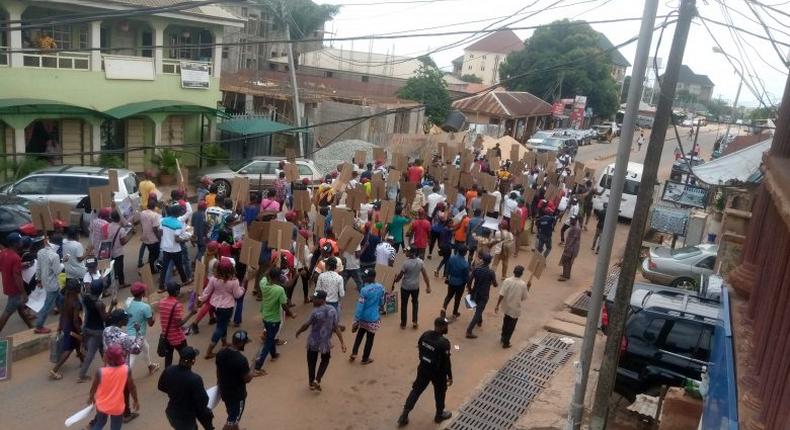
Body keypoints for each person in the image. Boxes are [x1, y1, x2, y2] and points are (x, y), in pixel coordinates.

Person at [397, 316, 453, 427]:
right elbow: (447, 362)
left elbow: (419, 348)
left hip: (423, 369)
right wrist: (450, 376)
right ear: (441, 327)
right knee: (440, 393)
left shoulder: (425, 335)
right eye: (446, 326)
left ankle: (404, 415)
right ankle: (439, 415)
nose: (447, 328)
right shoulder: (444, 343)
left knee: (416, 390)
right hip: (438, 373)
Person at [295, 290, 347, 391]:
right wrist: (342, 342)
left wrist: (299, 331)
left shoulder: (315, 312)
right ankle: (317, 379)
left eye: (315, 299)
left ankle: (311, 383)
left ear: (321, 300)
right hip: (325, 342)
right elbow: (336, 327)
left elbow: (307, 324)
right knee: (325, 360)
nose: (313, 301)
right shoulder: (332, 309)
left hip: (313, 341)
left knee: (311, 362)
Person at [157, 346, 214, 430]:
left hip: (171, 413)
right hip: (185, 418)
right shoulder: (195, 379)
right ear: (193, 361)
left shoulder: (169, 370)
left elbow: (160, 387)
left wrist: (175, 393)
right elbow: (203, 401)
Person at [200, 258, 245, 359]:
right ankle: (209, 351)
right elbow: (237, 295)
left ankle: (224, 343)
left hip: (215, 305)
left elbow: (207, 292)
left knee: (222, 323)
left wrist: (200, 299)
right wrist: (242, 289)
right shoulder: (234, 281)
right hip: (227, 307)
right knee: (220, 327)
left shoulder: (213, 279)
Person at [253, 268, 294, 376]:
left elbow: (265, 274)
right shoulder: (279, 289)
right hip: (274, 319)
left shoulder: (263, 283)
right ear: (277, 278)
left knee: (270, 337)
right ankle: (258, 366)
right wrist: (291, 314)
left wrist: (272, 266)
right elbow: (284, 305)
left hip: (265, 316)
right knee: (269, 341)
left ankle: (274, 354)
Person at [88, 344, 139, 430]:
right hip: (117, 406)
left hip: (102, 404)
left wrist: (91, 396)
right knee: (115, 427)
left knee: (99, 424)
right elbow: (132, 387)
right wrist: (135, 400)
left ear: (108, 358)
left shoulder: (100, 372)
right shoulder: (126, 370)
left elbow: (94, 387)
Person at [216, 330, 253, 430]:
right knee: (232, 420)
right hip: (237, 396)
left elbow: (218, 371)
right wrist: (251, 374)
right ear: (241, 343)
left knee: (233, 416)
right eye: (244, 343)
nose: (245, 345)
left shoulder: (220, 353)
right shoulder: (241, 360)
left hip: (224, 392)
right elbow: (247, 379)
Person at [79, 279, 114, 383]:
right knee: (91, 353)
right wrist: (111, 305)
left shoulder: (86, 298)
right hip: (97, 331)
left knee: (102, 348)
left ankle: (109, 366)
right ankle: (81, 375)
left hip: (87, 327)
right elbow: (105, 318)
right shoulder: (99, 304)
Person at [50, 279, 83, 380]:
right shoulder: (76, 303)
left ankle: (83, 360)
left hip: (65, 324)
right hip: (72, 327)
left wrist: (60, 326)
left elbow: (62, 314)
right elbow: (75, 320)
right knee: (68, 349)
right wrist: (80, 331)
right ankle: (54, 370)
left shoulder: (65, 299)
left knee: (76, 343)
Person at [350, 268, 384, 364]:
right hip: (373, 318)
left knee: (360, 334)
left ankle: (354, 352)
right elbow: (381, 301)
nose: (364, 278)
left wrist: (356, 319)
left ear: (371, 277)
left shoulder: (364, 290)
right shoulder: (380, 287)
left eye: (366, 276)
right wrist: (381, 307)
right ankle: (365, 358)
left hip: (363, 318)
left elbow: (360, 307)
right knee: (370, 339)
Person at [0, 233, 33, 334]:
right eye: (19, 241)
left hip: (7, 285)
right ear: (15, 244)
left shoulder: (4, 253)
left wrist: (21, 265)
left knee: (20, 309)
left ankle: (31, 328)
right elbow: (17, 276)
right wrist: (23, 293)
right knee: (7, 312)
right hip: (15, 289)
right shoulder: (15, 257)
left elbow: (6, 267)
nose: (21, 242)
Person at [394, 248, 431, 329]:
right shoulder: (420, 262)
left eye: (407, 251)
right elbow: (425, 275)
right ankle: (415, 321)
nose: (406, 252)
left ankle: (403, 324)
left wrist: (395, 280)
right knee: (415, 303)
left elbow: (400, 276)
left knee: (404, 305)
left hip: (405, 287)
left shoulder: (405, 263)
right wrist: (428, 286)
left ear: (412, 253)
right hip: (415, 287)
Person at [126, 282, 159, 374]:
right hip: (137, 335)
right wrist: (153, 314)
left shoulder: (128, 302)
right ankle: (124, 378)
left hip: (132, 333)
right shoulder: (145, 307)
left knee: (146, 348)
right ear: (142, 293)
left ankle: (150, 366)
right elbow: (151, 323)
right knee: (132, 358)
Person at [494, 266, 530, 348]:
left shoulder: (507, 281)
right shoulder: (523, 284)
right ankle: (506, 342)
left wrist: (497, 305)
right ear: (521, 274)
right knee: (511, 326)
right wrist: (528, 287)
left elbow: (501, 294)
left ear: (514, 272)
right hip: (515, 309)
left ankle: (503, 337)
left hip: (506, 306)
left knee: (506, 322)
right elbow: (524, 297)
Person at [160, 282, 193, 368]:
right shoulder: (177, 305)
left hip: (166, 336)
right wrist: (191, 314)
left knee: (168, 360)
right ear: (176, 292)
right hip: (177, 337)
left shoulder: (162, 302)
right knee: (186, 357)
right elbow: (179, 324)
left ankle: (167, 376)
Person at [34, 234, 62, 334]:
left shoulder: (40, 252)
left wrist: (38, 279)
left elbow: (38, 267)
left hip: (46, 281)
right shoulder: (55, 256)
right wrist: (63, 262)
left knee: (61, 300)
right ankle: (39, 326)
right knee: (47, 306)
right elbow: (58, 271)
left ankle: (66, 317)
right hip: (52, 284)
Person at [465, 254, 498, 339]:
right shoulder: (491, 272)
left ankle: (479, 321)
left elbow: (469, 281)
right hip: (484, 294)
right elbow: (495, 284)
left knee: (479, 308)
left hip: (475, 293)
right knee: (479, 311)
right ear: (490, 262)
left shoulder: (476, 269)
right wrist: (491, 282)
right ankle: (469, 330)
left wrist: (470, 290)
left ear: (482, 260)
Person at [159, 205, 190, 292]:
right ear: (177, 213)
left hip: (165, 247)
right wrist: (185, 239)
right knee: (179, 266)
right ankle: (185, 280)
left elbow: (160, 232)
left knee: (164, 267)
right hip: (175, 249)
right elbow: (177, 239)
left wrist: (165, 237)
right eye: (180, 211)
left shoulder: (163, 221)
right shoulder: (178, 224)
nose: (181, 213)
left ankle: (161, 286)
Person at [443, 246, 469, 319]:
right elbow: (466, 277)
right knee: (457, 298)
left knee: (448, 296)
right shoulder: (465, 264)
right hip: (460, 283)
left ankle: (443, 308)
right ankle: (455, 312)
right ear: (464, 253)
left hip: (451, 280)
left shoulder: (451, 258)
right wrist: (467, 284)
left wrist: (447, 277)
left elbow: (447, 269)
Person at [138, 199, 161, 273]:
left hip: (146, 237)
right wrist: (159, 238)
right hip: (153, 239)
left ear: (147, 206)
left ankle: (152, 269)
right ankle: (146, 268)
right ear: (154, 207)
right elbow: (155, 228)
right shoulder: (155, 215)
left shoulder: (142, 213)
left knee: (151, 253)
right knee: (156, 254)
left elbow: (141, 224)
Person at [559, 217, 581, 282]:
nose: (570, 221)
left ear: (575, 220)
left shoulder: (576, 228)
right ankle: (566, 274)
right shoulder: (574, 226)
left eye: (572, 220)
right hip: (571, 247)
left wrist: (568, 247)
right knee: (567, 261)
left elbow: (574, 239)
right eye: (571, 219)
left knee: (566, 261)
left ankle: (565, 276)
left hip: (571, 248)